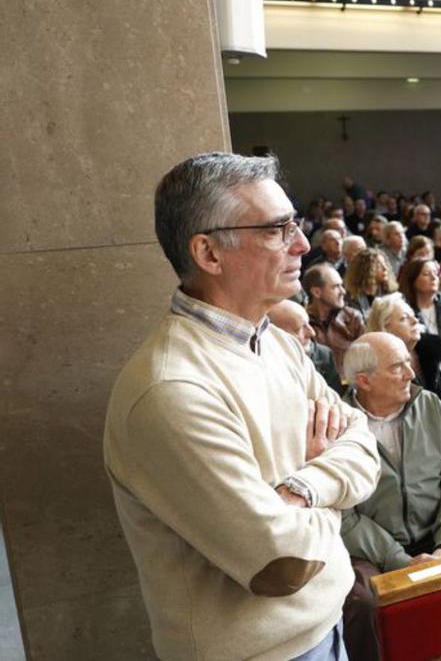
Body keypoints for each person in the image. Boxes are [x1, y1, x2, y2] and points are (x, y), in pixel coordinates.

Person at [106, 153, 380, 660]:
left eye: (294, 225)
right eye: (276, 230)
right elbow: (278, 563)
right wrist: (330, 480)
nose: (302, 243)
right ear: (209, 253)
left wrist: (299, 488)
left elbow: (366, 449)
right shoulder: (171, 388)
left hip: (328, 625)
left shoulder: (273, 342)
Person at [340, 333, 441, 661]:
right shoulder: (337, 423)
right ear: (364, 380)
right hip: (373, 548)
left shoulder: (428, 405)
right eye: (397, 368)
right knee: (361, 602)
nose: (411, 374)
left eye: (408, 363)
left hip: (438, 533)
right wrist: (399, 559)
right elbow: (345, 516)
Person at [367, 294, 441, 414]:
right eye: (404, 318)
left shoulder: (437, 349)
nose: (415, 321)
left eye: (414, 316)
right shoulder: (376, 366)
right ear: (385, 328)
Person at [269, 298, 342, 394]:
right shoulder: (263, 367)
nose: (312, 333)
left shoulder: (324, 355)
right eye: (299, 329)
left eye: (309, 324)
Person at [303, 263, 366, 374]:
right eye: (336, 287)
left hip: (351, 386)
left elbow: (367, 357)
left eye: (342, 285)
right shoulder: (301, 322)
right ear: (316, 292)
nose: (343, 291)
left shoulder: (352, 318)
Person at [344, 248, 397, 316]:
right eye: (378, 266)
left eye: (384, 263)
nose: (385, 268)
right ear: (366, 270)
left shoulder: (391, 293)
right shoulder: (352, 298)